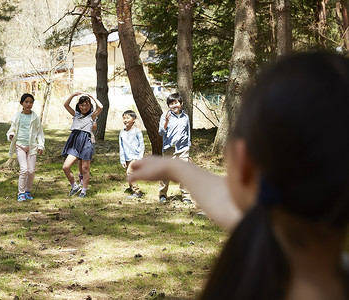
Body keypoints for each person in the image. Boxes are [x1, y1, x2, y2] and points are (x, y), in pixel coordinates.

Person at [128, 52, 349, 300]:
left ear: (243, 164)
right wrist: (177, 168)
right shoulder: (318, 254)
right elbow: (223, 198)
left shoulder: (262, 236)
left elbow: (230, 202)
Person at [62, 92, 103, 198]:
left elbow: (101, 107)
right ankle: (74, 186)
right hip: (74, 141)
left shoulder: (91, 116)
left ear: (90, 106)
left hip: (86, 142)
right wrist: (73, 96)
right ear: (79, 106)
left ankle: (84, 190)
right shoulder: (76, 115)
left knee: (85, 168)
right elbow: (66, 105)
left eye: (86, 105)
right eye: (82, 105)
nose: (84, 107)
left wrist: (92, 97)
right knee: (66, 167)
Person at [6, 93, 45, 202]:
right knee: (24, 169)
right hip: (20, 146)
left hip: (32, 147)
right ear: (22, 103)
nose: (28, 104)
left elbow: (40, 133)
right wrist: (11, 135)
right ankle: (21, 193)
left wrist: (40, 145)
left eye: (31, 102)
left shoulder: (35, 117)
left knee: (31, 171)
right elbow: (11, 130)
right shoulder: (17, 116)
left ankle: (28, 191)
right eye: (26, 102)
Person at [158, 92, 192, 204]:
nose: (174, 105)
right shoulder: (164, 116)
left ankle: (186, 196)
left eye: (176, 102)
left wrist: (188, 148)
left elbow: (188, 133)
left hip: (183, 149)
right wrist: (166, 122)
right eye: (171, 103)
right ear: (168, 106)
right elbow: (161, 132)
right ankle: (162, 194)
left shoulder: (185, 117)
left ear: (181, 103)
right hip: (169, 149)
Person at [119, 110, 144, 198]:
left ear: (133, 119)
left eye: (128, 118)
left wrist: (140, 157)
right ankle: (130, 187)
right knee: (128, 172)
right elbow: (121, 147)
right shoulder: (122, 133)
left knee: (130, 172)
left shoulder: (137, 131)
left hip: (136, 157)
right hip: (127, 157)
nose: (125, 120)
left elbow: (142, 145)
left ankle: (137, 192)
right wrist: (122, 159)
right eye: (124, 118)